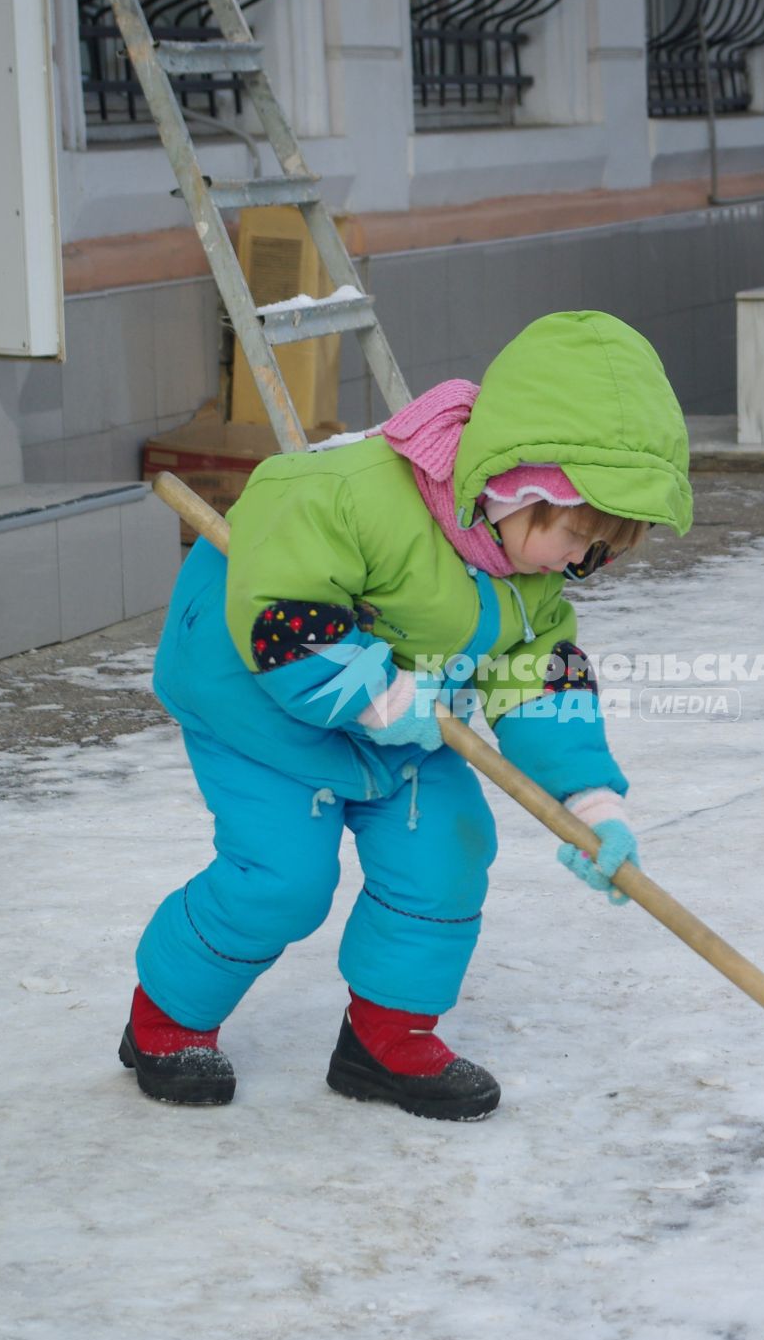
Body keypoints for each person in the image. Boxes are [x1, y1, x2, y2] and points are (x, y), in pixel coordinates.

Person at [120, 311, 692, 1118]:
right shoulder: (343, 495)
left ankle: (386, 1040)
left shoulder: (526, 567)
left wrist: (590, 802)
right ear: (521, 487)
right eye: (575, 536)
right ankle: (166, 1021)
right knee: (284, 878)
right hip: (264, 712)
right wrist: (376, 696)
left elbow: (539, 674)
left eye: (601, 549)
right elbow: (282, 617)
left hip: (412, 724)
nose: (579, 561)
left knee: (446, 853)